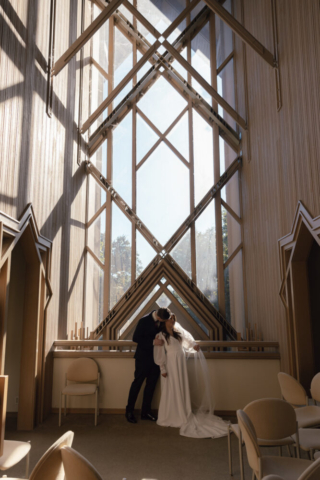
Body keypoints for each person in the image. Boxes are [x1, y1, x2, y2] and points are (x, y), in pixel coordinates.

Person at [154, 314, 229, 438]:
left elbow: (188, 341)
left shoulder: (178, 333)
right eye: (170, 319)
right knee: (171, 388)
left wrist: (194, 345)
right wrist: (162, 368)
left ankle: (183, 412)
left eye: (174, 319)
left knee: (181, 386)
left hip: (181, 362)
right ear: (164, 321)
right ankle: (171, 415)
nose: (172, 321)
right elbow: (160, 352)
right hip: (171, 363)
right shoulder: (161, 335)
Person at [125, 307, 171, 423]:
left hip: (156, 360)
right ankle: (129, 411)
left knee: (151, 386)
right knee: (137, 384)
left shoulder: (162, 319)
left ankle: (146, 412)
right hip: (143, 359)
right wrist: (152, 342)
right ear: (159, 317)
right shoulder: (143, 320)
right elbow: (135, 338)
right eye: (163, 321)